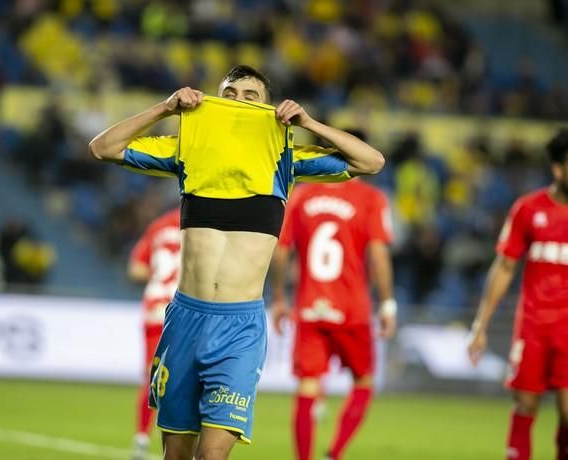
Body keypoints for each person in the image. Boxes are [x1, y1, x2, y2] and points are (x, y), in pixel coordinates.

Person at [89, 65, 384, 460]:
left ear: (268, 107)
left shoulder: (285, 160)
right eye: (230, 94)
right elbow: (103, 148)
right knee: (175, 454)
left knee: (212, 455)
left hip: (239, 329)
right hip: (185, 320)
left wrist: (309, 121)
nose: (240, 102)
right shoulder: (187, 150)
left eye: (251, 96)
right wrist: (165, 108)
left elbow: (371, 162)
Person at [271, 163, 397, 460]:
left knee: (307, 387)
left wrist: (278, 297)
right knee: (364, 382)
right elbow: (378, 254)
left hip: (310, 307)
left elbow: (281, 249)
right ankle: (334, 453)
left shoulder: (301, 196)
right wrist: (388, 303)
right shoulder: (371, 198)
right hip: (352, 310)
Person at [468, 128, 568, 460]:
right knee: (525, 404)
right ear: (558, 168)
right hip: (534, 326)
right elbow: (505, 267)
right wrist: (481, 325)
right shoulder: (528, 209)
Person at [128, 207, 181, 460]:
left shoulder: (159, 226)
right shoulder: (202, 224)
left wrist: (157, 274)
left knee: (152, 376)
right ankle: (179, 443)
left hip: (154, 308)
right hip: (182, 309)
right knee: (183, 380)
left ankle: (141, 437)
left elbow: (135, 269)